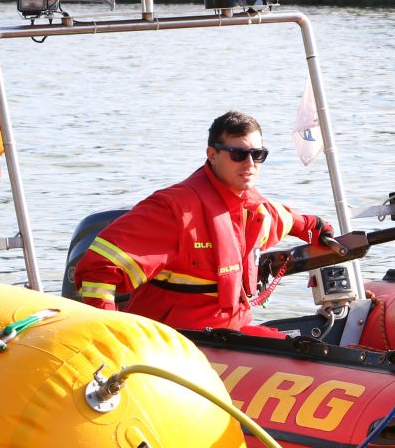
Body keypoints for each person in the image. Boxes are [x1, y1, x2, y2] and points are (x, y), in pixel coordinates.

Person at [74, 110, 337, 334]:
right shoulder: (174, 209)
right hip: (179, 343)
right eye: (238, 154)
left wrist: (314, 228)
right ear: (212, 154)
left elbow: (286, 220)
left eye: (257, 155)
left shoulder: (255, 210)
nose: (249, 163)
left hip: (233, 336)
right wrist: (109, 337)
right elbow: (98, 268)